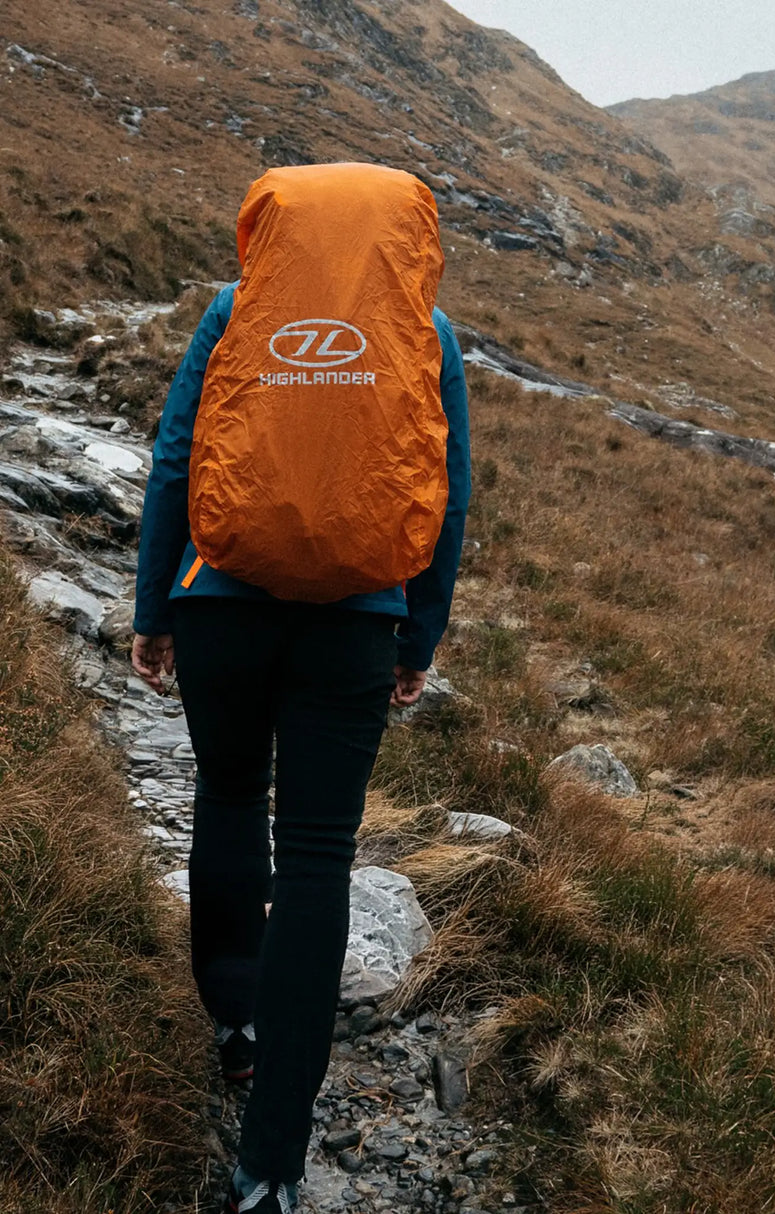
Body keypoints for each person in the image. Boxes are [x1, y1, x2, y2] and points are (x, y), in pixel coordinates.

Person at [131, 166, 471, 1214]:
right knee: (319, 854)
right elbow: (444, 491)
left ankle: (232, 1023)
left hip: (220, 605)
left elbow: (176, 458)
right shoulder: (429, 330)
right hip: (356, 624)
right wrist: (417, 630)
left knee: (228, 796)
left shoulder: (235, 311)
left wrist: (153, 606)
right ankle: (273, 1158)